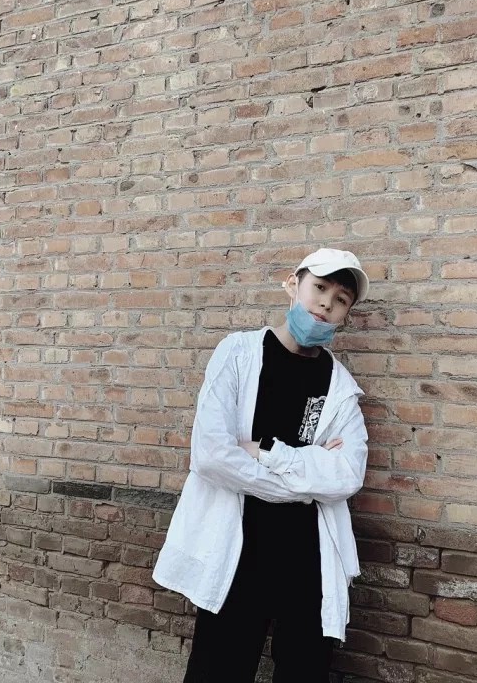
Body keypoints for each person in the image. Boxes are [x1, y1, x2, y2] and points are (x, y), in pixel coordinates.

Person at [153, 248, 370, 683]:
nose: (326, 304)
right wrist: (306, 480)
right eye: (319, 287)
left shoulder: (340, 387)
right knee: (219, 670)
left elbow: (348, 474)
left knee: (305, 671)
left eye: (341, 299)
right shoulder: (238, 353)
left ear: (346, 315)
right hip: (238, 548)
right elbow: (211, 456)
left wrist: (267, 451)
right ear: (293, 284)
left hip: (308, 555)